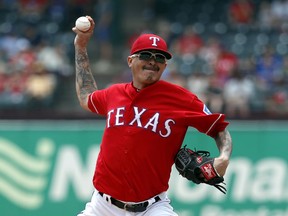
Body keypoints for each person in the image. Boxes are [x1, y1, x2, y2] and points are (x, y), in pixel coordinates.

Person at [72, 16, 233, 216]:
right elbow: (86, 96)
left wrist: (224, 156)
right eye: (146, 55)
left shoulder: (182, 99)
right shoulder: (114, 93)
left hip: (152, 208)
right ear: (130, 61)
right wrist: (80, 46)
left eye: (159, 58)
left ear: (165, 66)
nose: (152, 61)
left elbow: (219, 128)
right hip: (102, 207)